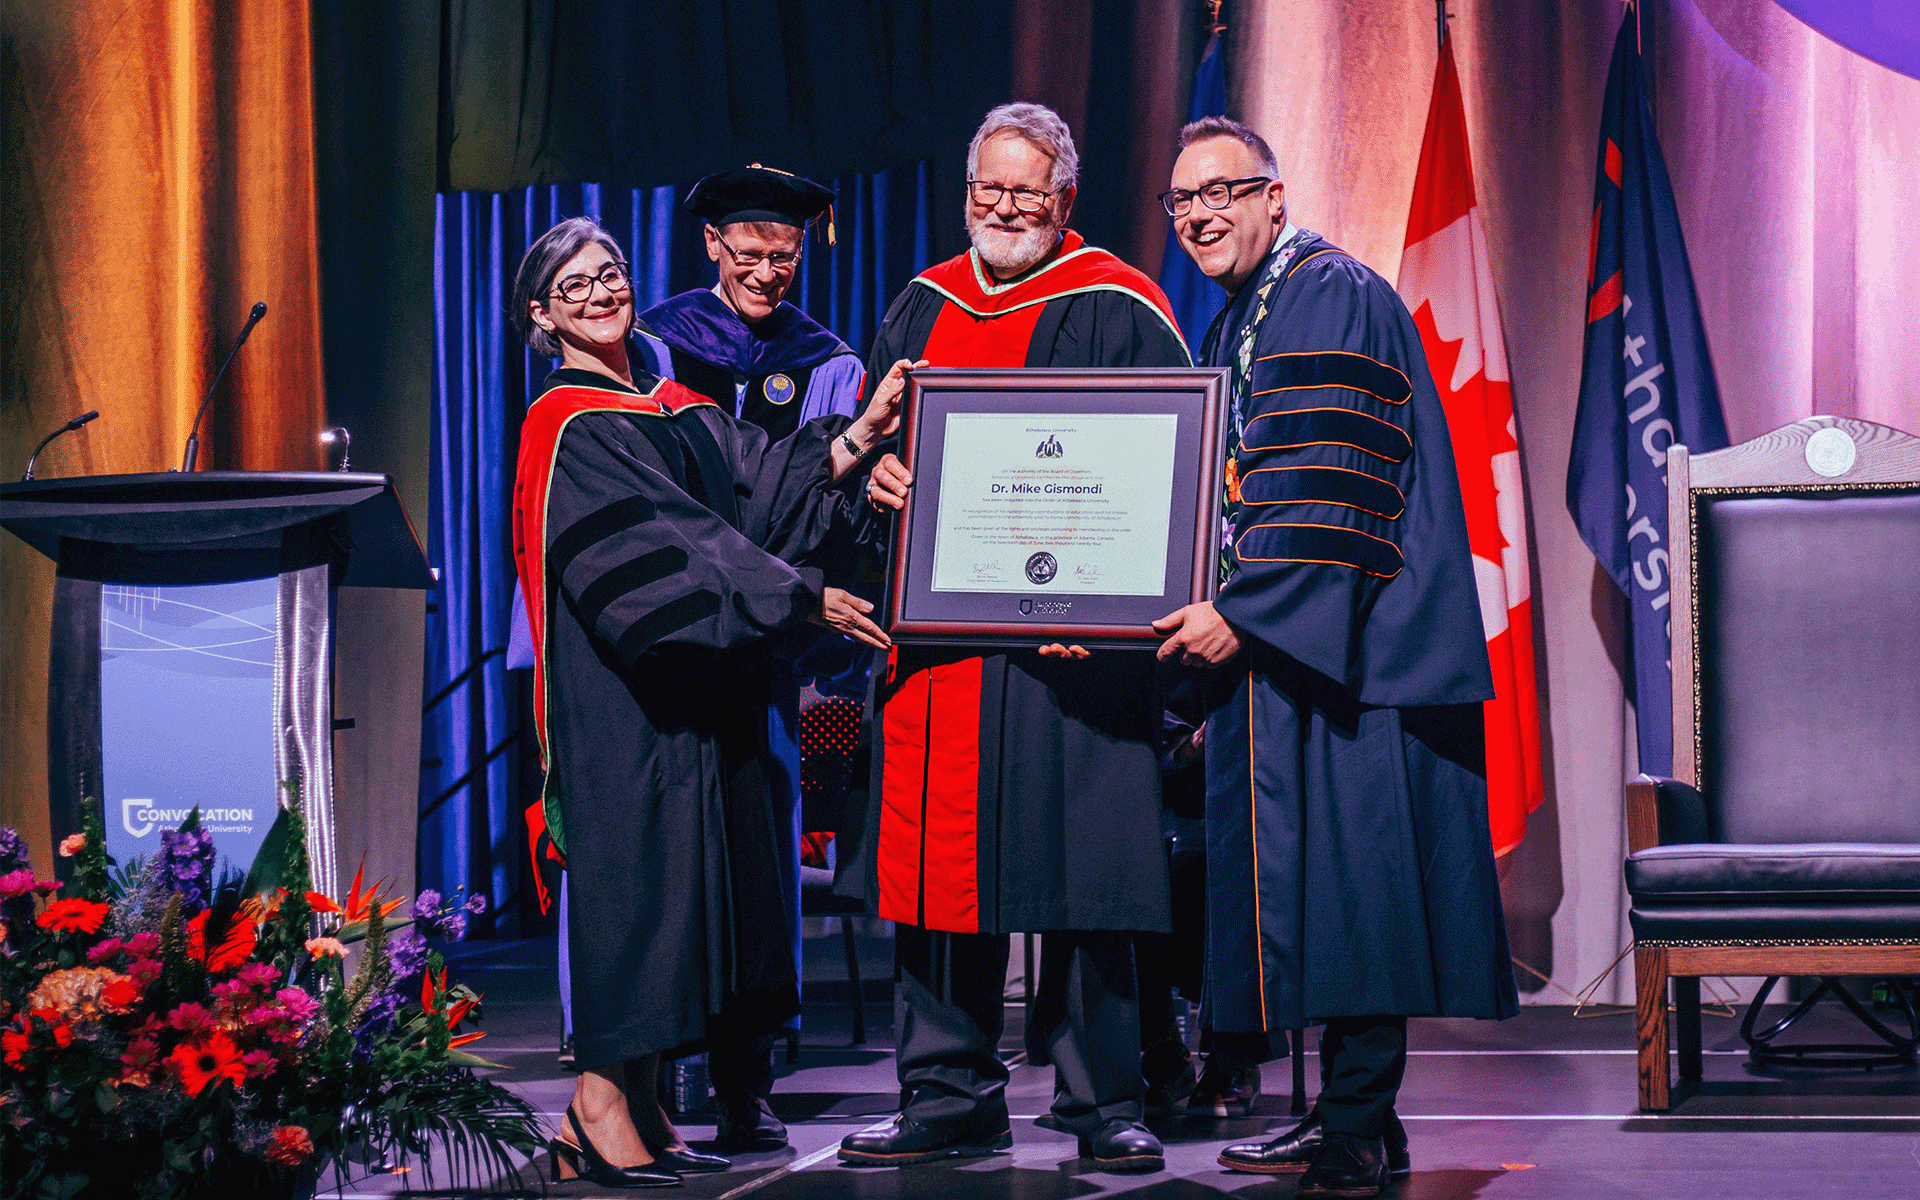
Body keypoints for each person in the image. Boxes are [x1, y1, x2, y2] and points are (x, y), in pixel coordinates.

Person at [1153, 116, 1518, 1199]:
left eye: (1224, 189)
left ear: (1276, 194)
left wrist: (1245, 612)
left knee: (1360, 888)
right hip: (1312, 649)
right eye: (1182, 202)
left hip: (1364, 655)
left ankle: (1355, 1123)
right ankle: (1345, 1115)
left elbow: (1330, 486)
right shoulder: (1241, 318)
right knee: (1326, 888)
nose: (1201, 213)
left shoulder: (1329, 293)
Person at [509, 216, 901, 1188]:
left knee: (684, 892)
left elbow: (758, 487)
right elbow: (674, 546)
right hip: (623, 696)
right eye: (577, 286)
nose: (602, 293)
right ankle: (596, 1104)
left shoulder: (670, 401)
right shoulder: (566, 423)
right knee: (635, 891)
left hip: (693, 694)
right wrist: (796, 593)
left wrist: (861, 435)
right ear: (541, 315)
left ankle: (636, 1102)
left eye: (611, 275)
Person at [838, 102, 1189, 1175]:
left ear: (1063, 198)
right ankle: (946, 1093)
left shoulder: (1122, 306)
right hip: (943, 656)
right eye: (986, 189)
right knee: (937, 875)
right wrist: (883, 478)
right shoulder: (919, 303)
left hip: (1074, 661)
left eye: (1023, 191)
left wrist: (1123, 617)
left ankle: (1104, 1102)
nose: (1001, 208)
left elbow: (1167, 481)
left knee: (1088, 875)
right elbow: (875, 450)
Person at [638, 166, 870, 1153]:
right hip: (665, 632)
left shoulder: (828, 365)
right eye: (750, 251)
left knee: (756, 854)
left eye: (784, 254)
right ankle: (653, 1067)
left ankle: (745, 1079)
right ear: (712, 247)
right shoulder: (652, 343)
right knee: (664, 855)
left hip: (767, 643)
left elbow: (826, 510)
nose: (767, 271)